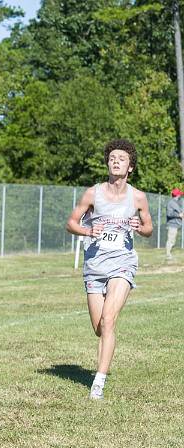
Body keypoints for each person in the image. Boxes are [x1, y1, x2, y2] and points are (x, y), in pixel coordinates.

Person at [66, 139, 153, 400]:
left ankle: (98, 383)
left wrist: (140, 227)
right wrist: (87, 229)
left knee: (109, 320)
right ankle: (102, 365)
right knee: (99, 328)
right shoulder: (93, 194)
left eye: (122, 158)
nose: (116, 161)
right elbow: (71, 223)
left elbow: (149, 229)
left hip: (123, 263)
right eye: (112, 157)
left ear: (130, 167)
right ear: (108, 163)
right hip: (94, 265)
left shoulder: (137, 197)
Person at [165, 187, 184, 260]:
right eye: (179, 194)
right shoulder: (171, 203)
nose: (180, 196)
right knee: (171, 240)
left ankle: (169, 254)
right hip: (172, 224)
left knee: (173, 240)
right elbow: (169, 214)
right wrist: (178, 215)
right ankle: (168, 255)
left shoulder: (176, 202)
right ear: (177, 195)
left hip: (177, 224)